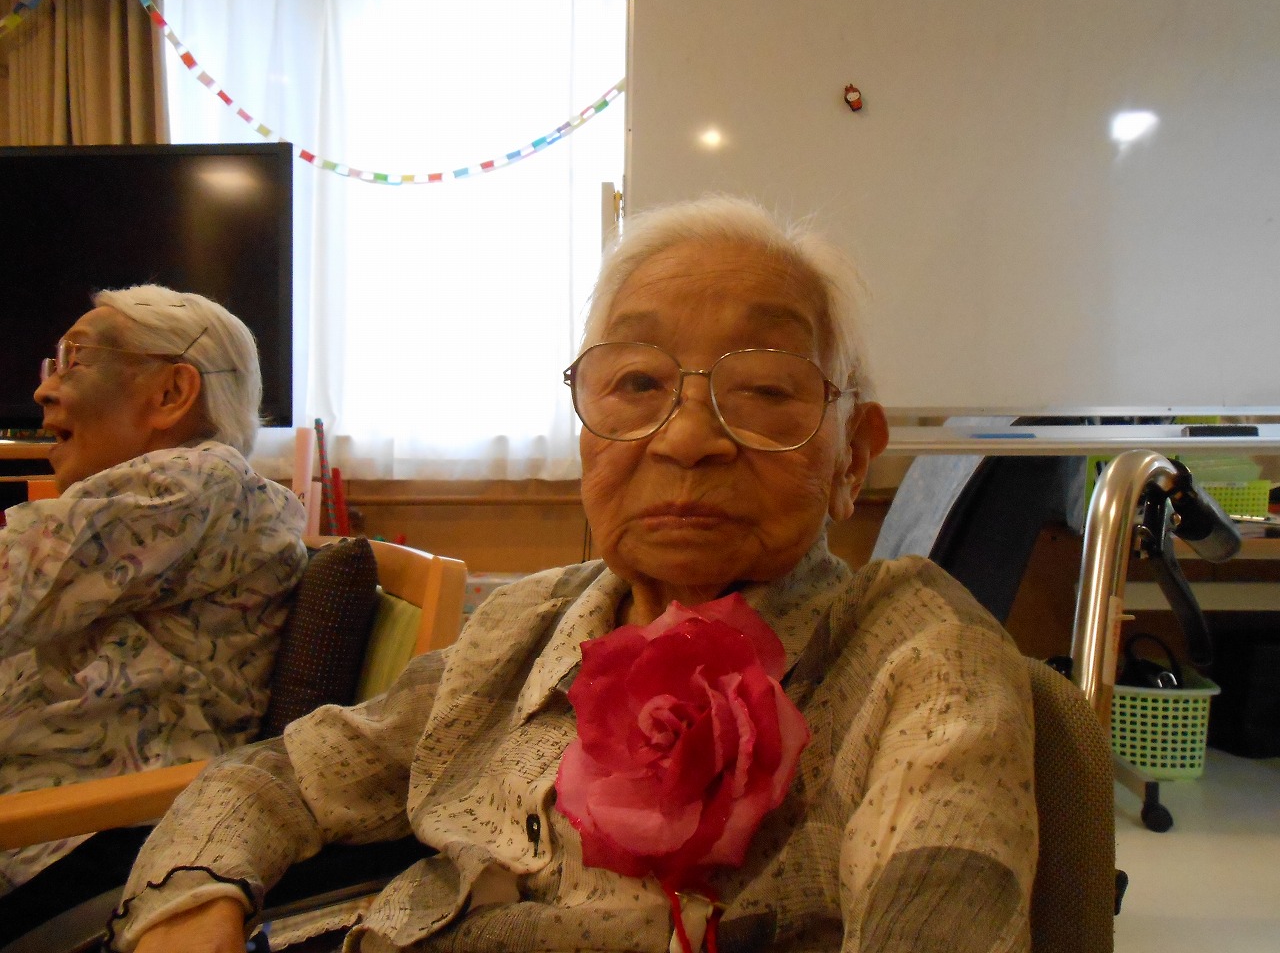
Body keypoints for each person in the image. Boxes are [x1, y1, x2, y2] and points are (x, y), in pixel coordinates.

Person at [113, 198, 1036, 953]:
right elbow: (286, 775)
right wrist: (192, 897)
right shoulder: (524, 626)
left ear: (853, 456)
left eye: (764, 390)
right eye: (637, 383)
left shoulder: (922, 659)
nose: (687, 437)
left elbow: (942, 907)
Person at [0, 285, 308, 896]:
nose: (44, 390)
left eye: (75, 360)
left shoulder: (192, 482)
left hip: (81, 844)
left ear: (171, 394)